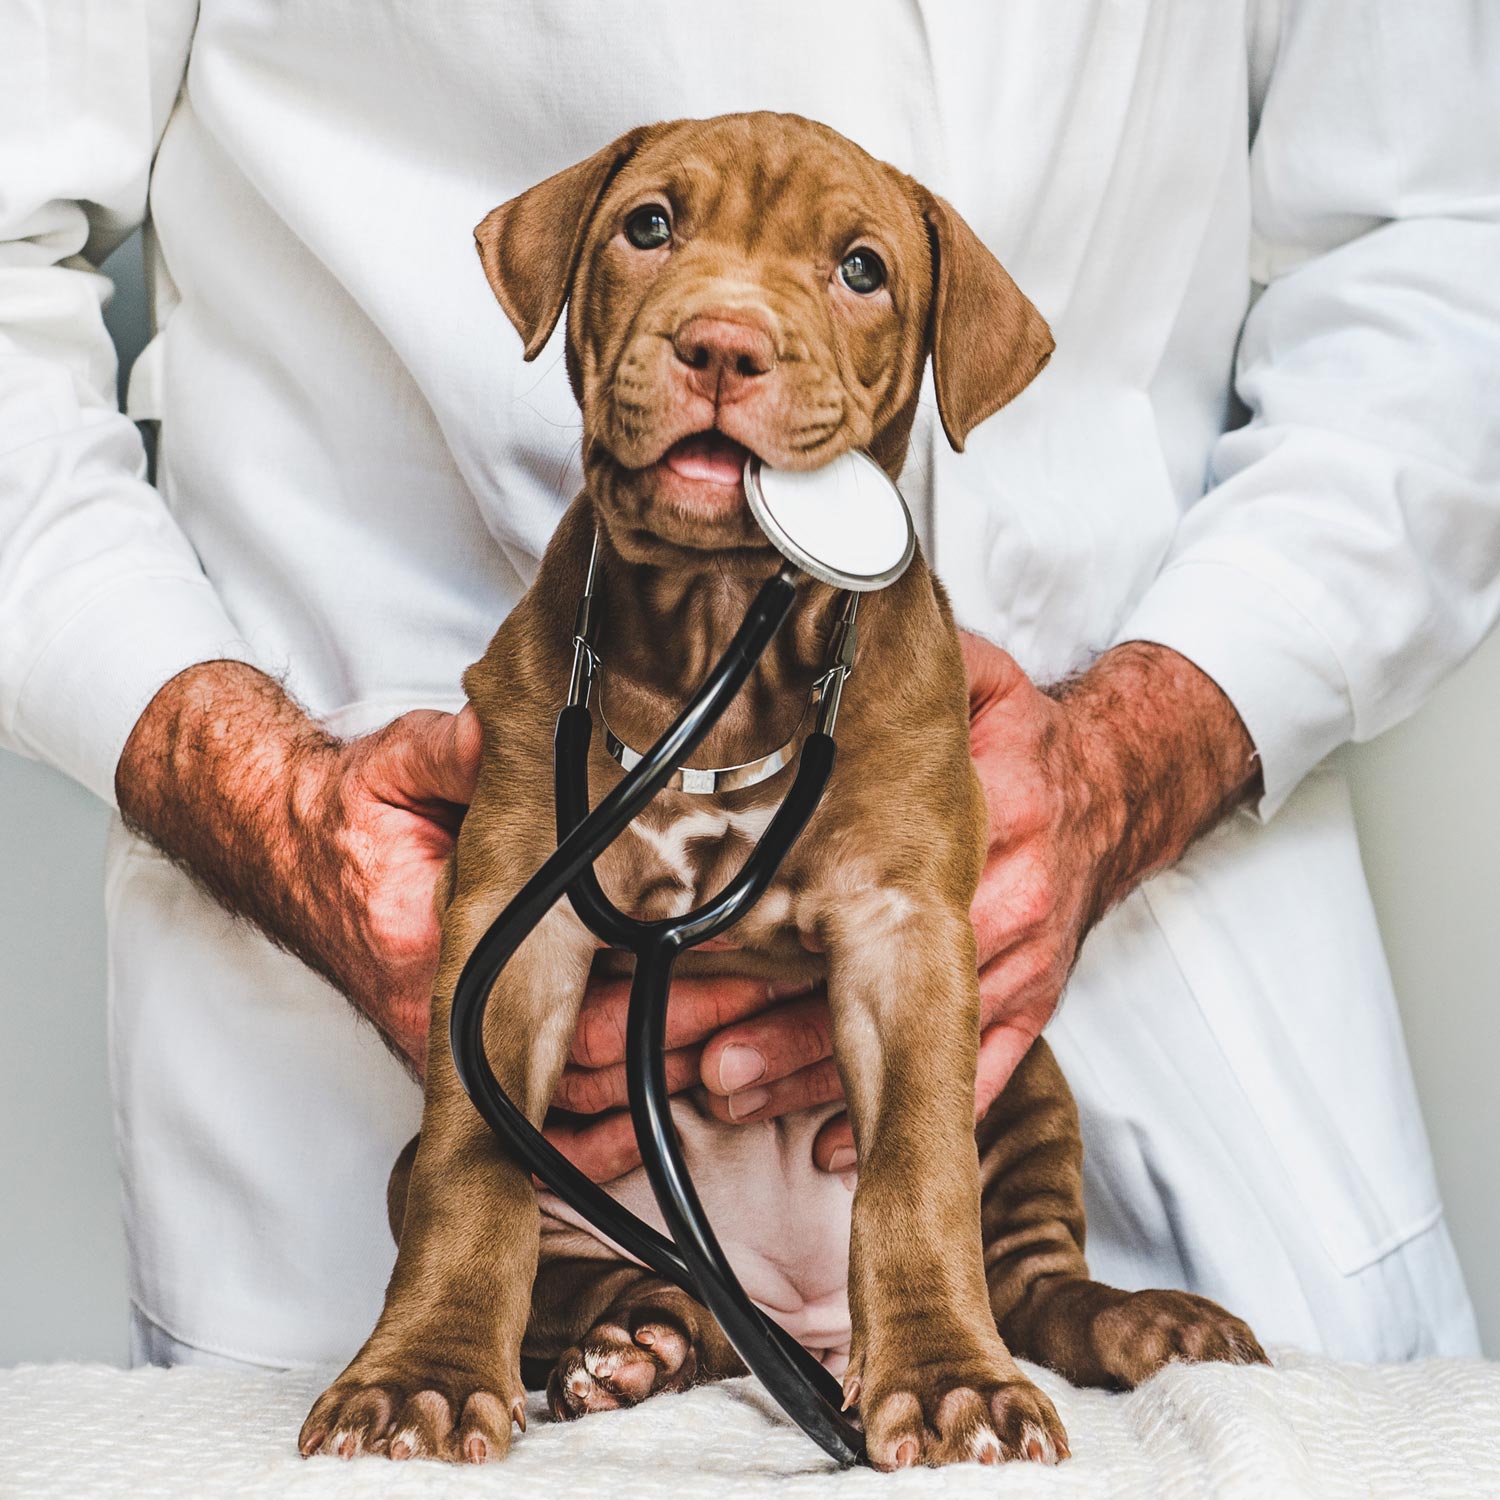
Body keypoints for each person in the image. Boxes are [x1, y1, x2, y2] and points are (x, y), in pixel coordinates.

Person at [2, 2, 1493, 1374]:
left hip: (1161, 1045)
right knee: (457, 1317)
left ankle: (1019, 1279)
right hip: (385, 1051)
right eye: (654, 235)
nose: (728, 327)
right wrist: (262, 794)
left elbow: (1437, 252)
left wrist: (1146, 749)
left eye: (852, 274)